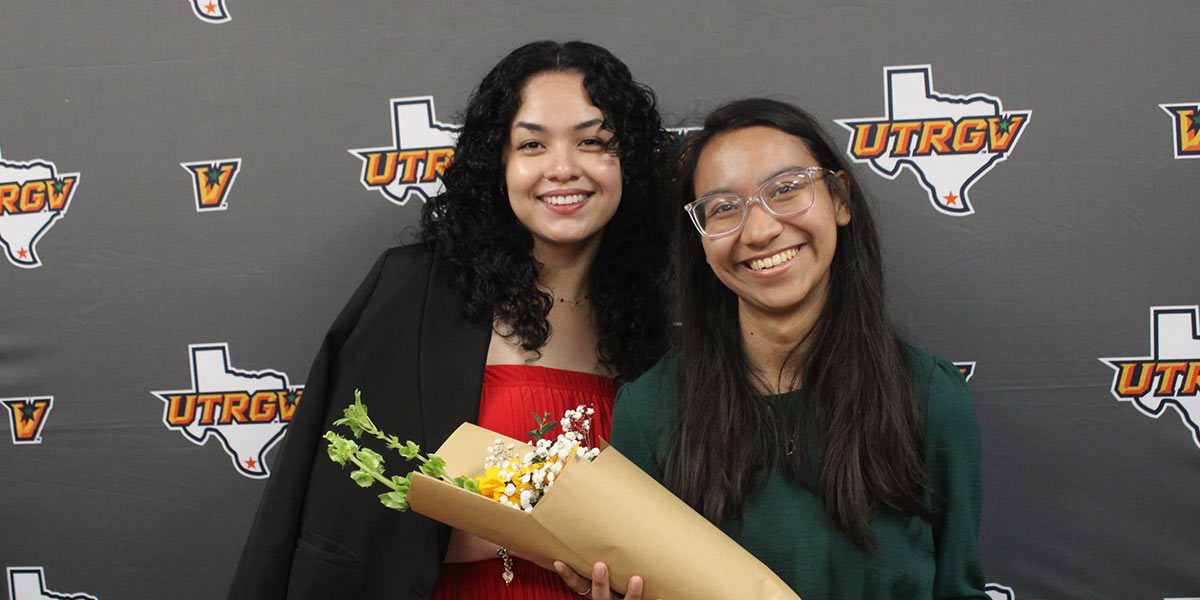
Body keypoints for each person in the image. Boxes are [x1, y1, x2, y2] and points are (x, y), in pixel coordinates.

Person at [228, 40, 670, 599]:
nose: (563, 168)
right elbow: (350, 497)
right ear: (499, 163)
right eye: (532, 144)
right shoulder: (414, 291)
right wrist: (533, 514)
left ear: (627, 161)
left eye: (592, 142)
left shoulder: (656, 324)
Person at [556, 98, 987, 599]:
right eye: (723, 208)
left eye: (785, 190)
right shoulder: (649, 410)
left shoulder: (930, 397)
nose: (759, 231)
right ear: (701, 240)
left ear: (840, 200)